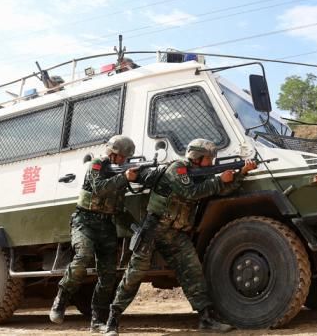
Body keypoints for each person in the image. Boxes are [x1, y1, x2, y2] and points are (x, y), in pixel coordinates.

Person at [104, 139, 257, 335]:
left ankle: (206, 318)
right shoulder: (178, 168)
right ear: (197, 157)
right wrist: (220, 180)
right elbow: (190, 192)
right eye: (209, 159)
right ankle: (112, 319)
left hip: (174, 232)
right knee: (134, 275)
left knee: (193, 271)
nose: (211, 162)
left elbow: (220, 188)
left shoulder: (200, 174)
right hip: (153, 228)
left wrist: (241, 174)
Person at [49, 135, 138, 332]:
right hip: (85, 222)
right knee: (83, 257)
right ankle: (61, 299)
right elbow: (99, 188)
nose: (124, 161)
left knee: (108, 275)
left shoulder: (119, 174)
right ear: (113, 154)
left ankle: (98, 319)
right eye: (122, 157)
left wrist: (135, 228)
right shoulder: (97, 165)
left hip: (106, 225)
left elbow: (119, 210)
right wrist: (124, 177)